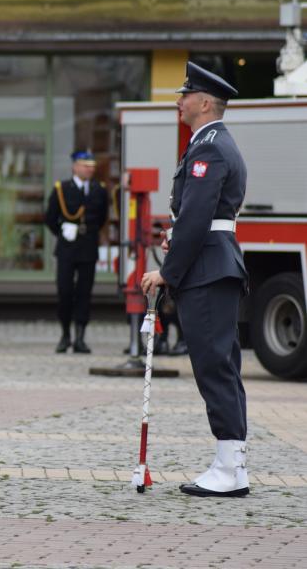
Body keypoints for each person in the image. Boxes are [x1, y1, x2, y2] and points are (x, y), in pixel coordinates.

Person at [142, 61, 249, 498]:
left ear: (205, 103)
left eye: (186, 94)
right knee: (221, 365)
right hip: (213, 264)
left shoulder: (208, 148)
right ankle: (232, 464)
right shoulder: (211, 143)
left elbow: (197, 218)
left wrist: (167, 273)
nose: (179, 100)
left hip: (207, 269)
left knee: (213, 366)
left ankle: (228, 468)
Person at [45, 150, 109, 353]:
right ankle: (65, 334)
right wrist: (63, 232)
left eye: (92, 166)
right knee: (64, 292)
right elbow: (50, 218)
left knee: (84, 293)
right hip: (66, 248)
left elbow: (102, 219)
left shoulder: (99, 189)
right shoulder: (61, 189)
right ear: (75, 166)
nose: (89, 169)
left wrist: (86, 232)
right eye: (85, 165)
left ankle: (80, 337)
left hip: (88, 247)